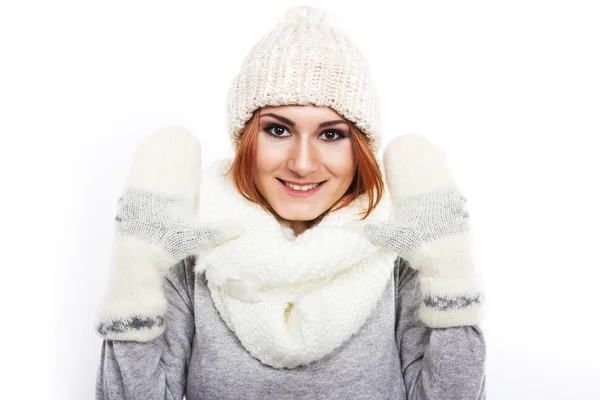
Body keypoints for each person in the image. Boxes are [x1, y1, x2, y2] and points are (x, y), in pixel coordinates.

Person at [94, 5, 487, 399]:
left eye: (331, 135)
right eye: (278, 130)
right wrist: (134, 280)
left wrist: (451, 276)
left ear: (360, 149)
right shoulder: (192, 253)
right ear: (246, 139)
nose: (302, 163)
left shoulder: (402, 254)